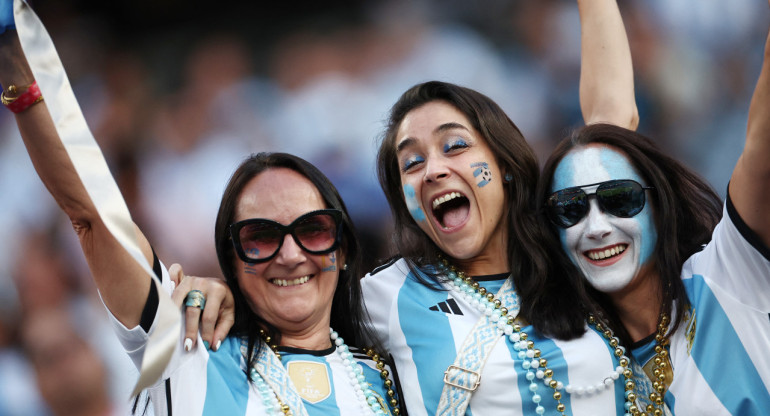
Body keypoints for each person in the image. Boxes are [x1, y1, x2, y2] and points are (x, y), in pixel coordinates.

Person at [177, 0, 646, 414]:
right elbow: (294, 294)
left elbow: (612, 123)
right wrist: (219, 292)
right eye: (412, 162)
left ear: (503, 163)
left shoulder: (576, 242)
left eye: (455, 146)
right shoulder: (384, 295)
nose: (433, 170)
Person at [0, 2, 401, 416]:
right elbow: (92, 214)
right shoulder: (188, 349)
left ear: (343, 248)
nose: (291, 253)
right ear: (231, 260)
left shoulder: (396, 371)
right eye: (261, 236)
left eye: (313, 230)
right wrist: (16, 55)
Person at [536, 13, 770, 415]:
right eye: (570, 210)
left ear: (659, 206)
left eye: (620, 200)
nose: (596, 228)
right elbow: (606, 132)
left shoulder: (726, 273)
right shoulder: (570, 357)